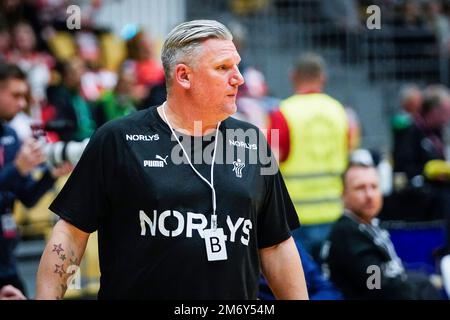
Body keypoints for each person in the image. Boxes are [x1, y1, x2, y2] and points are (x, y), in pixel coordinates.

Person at [36, 20, 308, 300]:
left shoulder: (251, 141)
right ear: (184, 76)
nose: (238, 77)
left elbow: (276, 244)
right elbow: (70, 234)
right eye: (223, 68)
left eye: (236, 65)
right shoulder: (118, 139)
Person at [321, 158, 442, 299]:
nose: (369, 195)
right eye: (360, 188)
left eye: (374, 187)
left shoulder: (366, 225)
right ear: (344, 194)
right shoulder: (346, 233)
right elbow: (376, 285)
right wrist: (419, 287)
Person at [0, 62, 72, 297]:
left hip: (6, 258)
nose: (22, 104)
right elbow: (12, 176)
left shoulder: (10, 135)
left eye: (25, 96)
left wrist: (51, 174)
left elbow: (27, 196)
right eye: (16, 95)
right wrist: (17, 168)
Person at [268, 53, 349, 256]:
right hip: (334, 212)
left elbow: (269, 164)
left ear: (292, 76)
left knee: (302, 283)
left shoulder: (282, 113)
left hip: (296, 217)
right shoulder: (339, 111)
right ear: (323, 77)